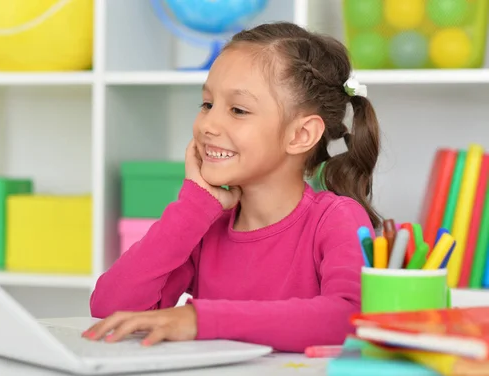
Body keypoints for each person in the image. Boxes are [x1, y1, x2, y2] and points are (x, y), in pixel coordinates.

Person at [84, 21, 381, 352]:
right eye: (207, 104)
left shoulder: (336, 218)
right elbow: (110, 307)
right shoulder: (205, 224)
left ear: (300, 135)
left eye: (238, 110)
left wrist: (200, 320)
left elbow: (347, 318)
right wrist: (193, 207)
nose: (208, 124)